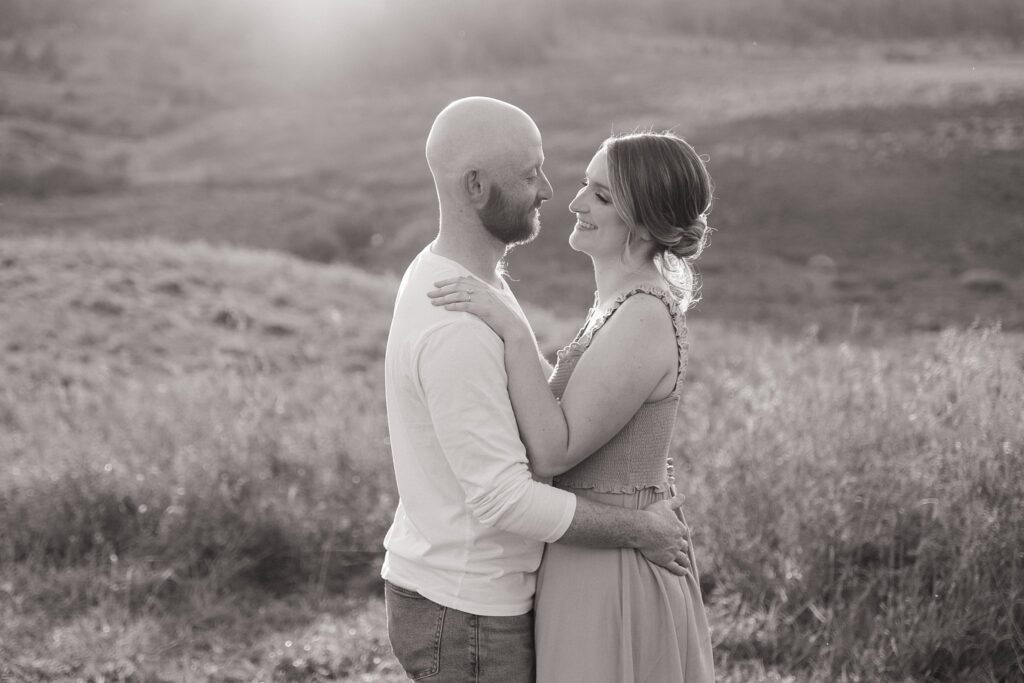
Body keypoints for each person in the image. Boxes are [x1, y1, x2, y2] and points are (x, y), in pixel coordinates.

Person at [381, 97, 694, 682]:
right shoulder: (459, 319)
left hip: (511, 588)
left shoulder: (470, 282)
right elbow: (505, 493)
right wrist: (638, 528)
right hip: (469, 604)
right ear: (476, 186)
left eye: (597, 193)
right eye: (531, 174)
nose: (554, 192)